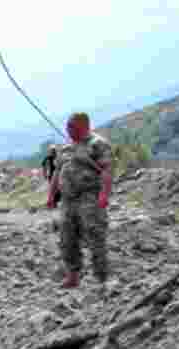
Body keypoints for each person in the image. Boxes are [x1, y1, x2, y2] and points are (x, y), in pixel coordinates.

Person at [47, 112, 113, 289]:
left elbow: (106, 170)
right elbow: (56, 173)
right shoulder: (66, 148)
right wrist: (51, 195)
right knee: (67, 238)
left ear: (84, 126)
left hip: (89, 197)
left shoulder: (97, 144)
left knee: (95, 235)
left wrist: (104, 195)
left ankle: (102, 278)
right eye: (68, 126)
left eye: (72, 127)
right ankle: (72, 276)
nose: (68, 130)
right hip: (68, 200)